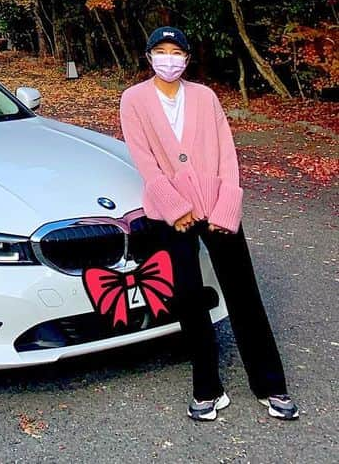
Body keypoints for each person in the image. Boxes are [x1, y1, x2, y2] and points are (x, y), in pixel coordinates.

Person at [119, 26, 299, 423]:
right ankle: (207, 388)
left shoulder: (205, 97)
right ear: (149, 57)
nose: (169, 59)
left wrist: (226, 207)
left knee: (244, 294)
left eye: (176, 51)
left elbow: (226, 154)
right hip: (170, 213)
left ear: (187, 57)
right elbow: (144, 159)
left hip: (216, 203)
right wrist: (173, 205)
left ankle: (271, 385)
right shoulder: (133, 99)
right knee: (188, 296)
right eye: (161, 51)